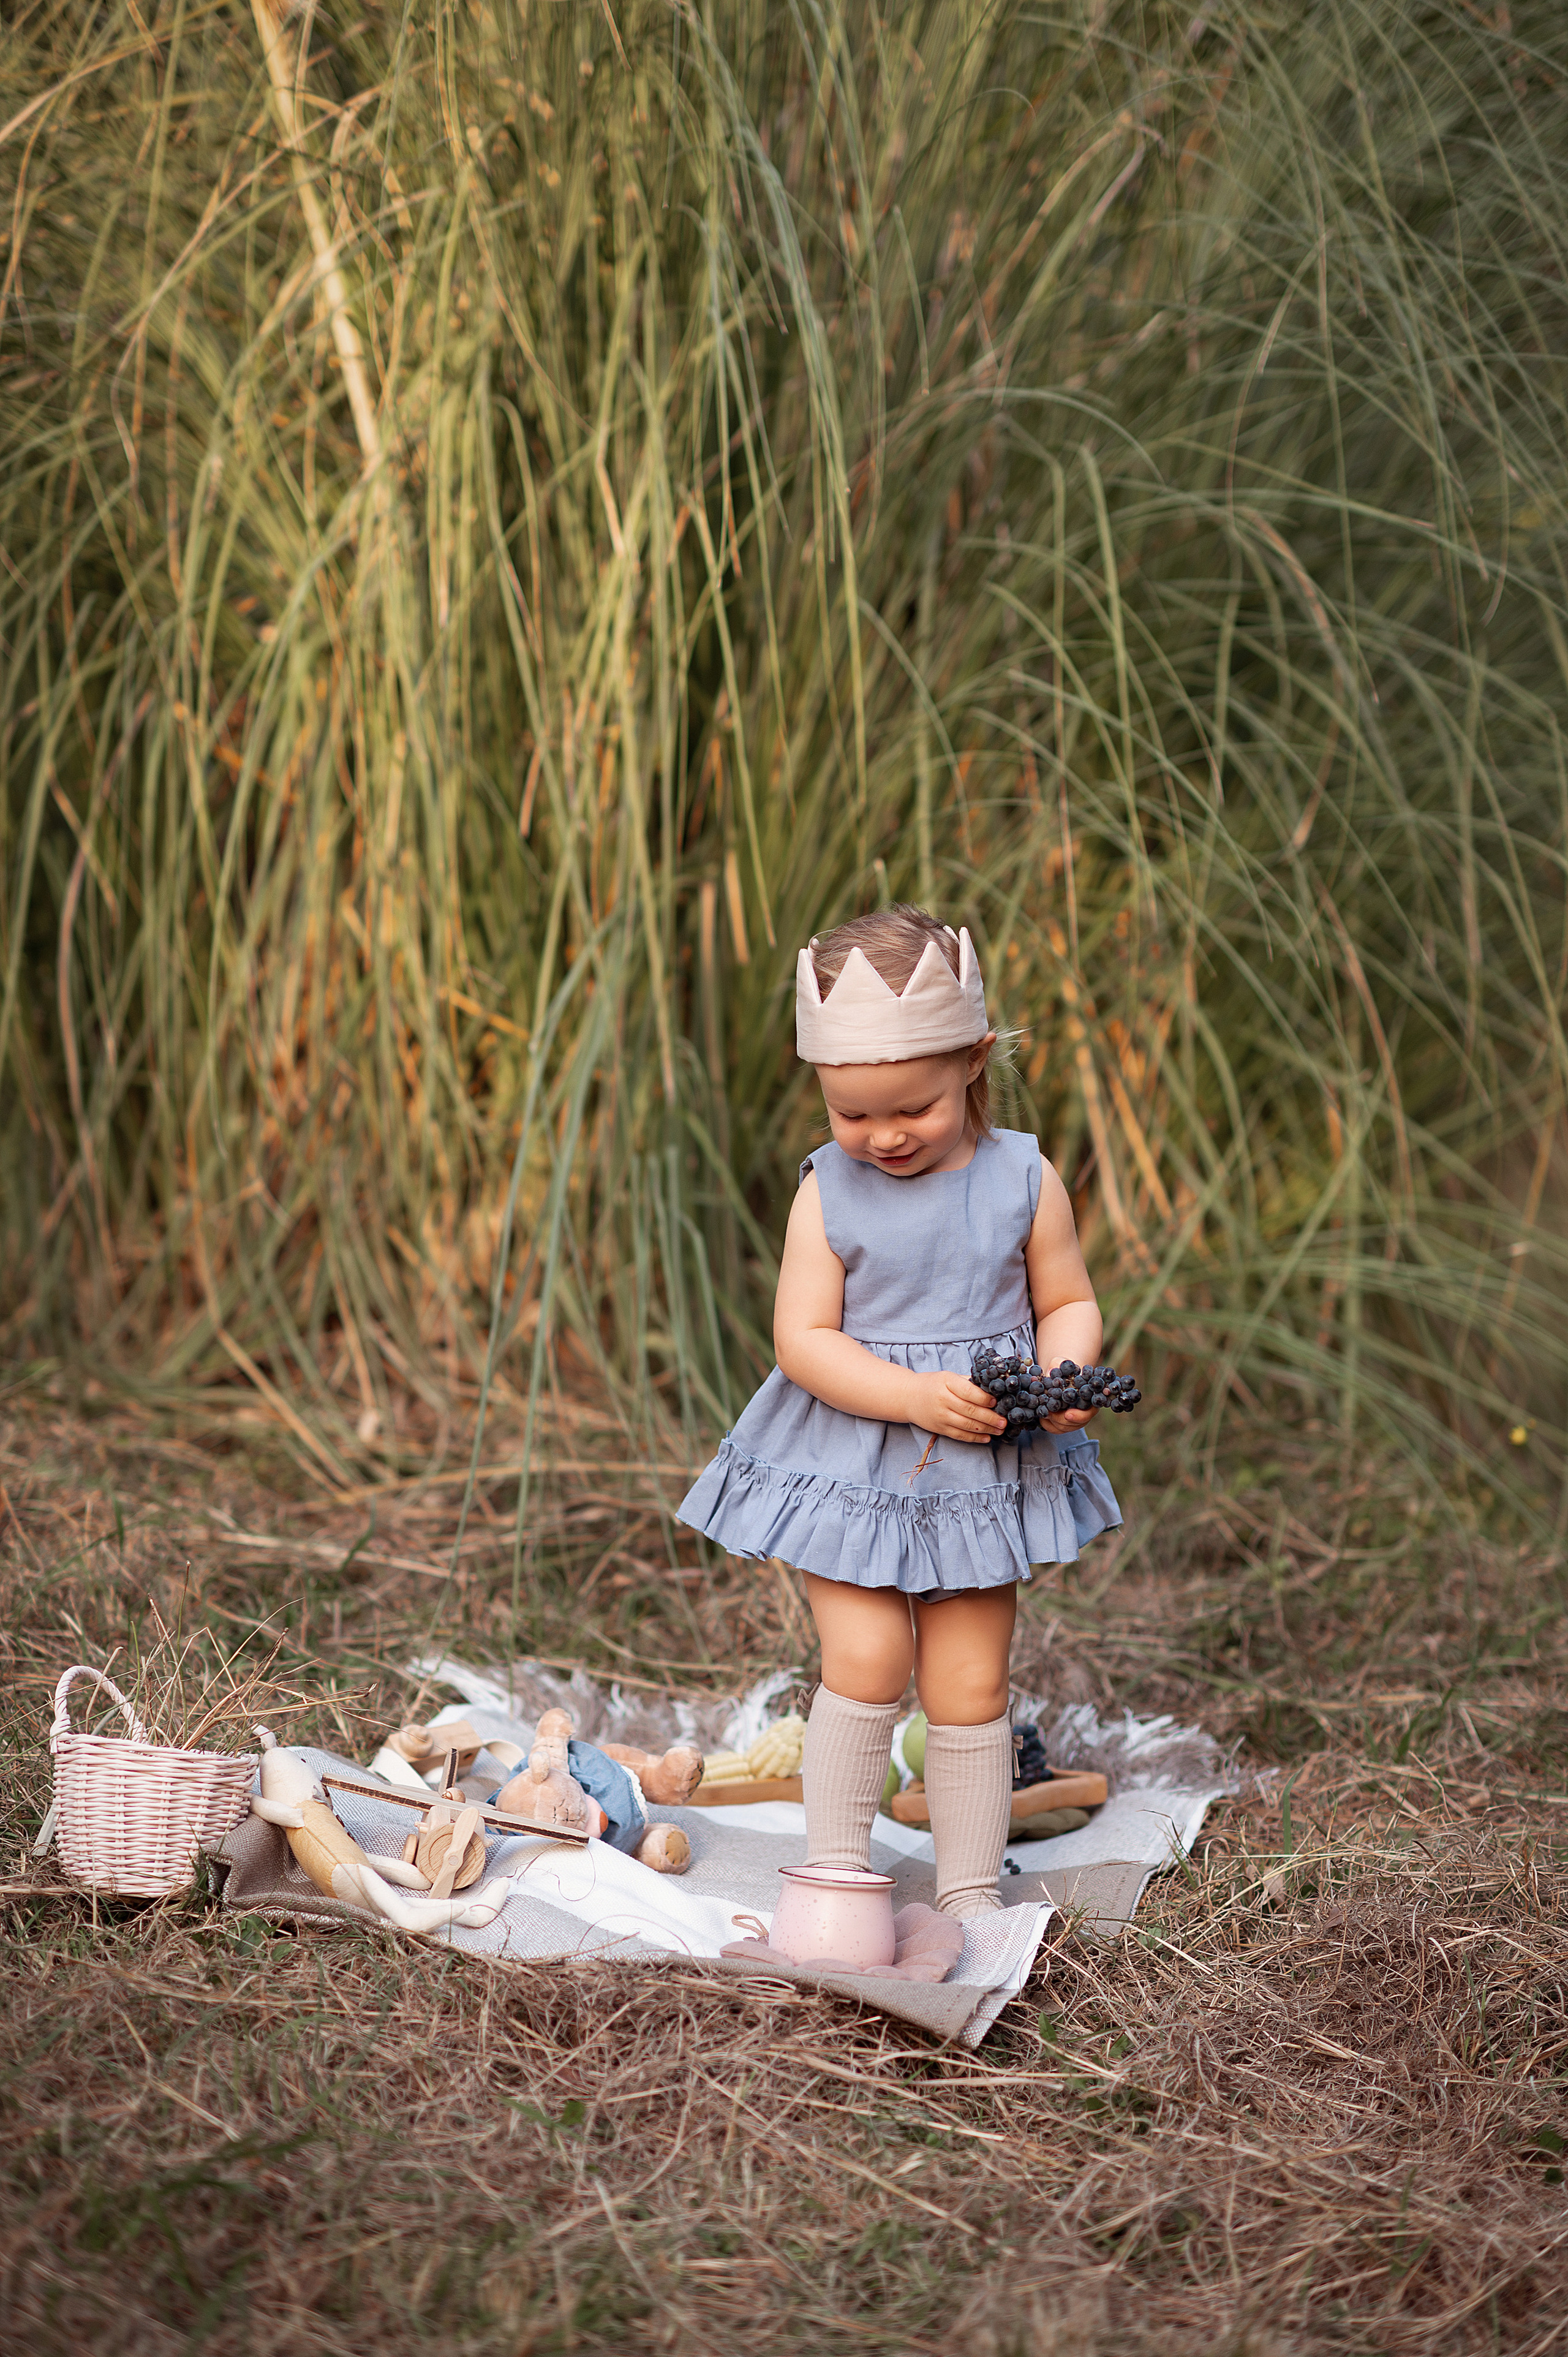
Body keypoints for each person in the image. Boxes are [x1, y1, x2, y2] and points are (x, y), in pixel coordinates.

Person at [678, 906, 1122, 1919]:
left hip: (978, 1461)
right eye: (852, 1114)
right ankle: (836, 1872)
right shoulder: (827, 1192)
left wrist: (1060, 1380)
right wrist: (913, 1394)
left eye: (910, 1109)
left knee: (969, 1683)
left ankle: (970, 1890)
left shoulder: (1022, 1175)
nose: (881, 1137)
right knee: (869, 1657)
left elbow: (1068, 1297)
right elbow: (806, 1340)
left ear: (971, 1060)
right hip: (857, 1454)